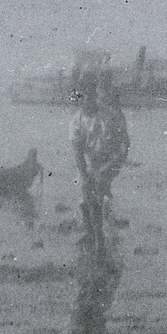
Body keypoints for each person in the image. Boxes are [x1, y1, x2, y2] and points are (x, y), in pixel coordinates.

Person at [69, 63, 130, 275]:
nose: (85, 101)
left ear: (94, 96)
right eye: (81, 97)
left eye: (89, 96)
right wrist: (85, 175)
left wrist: (107, 168)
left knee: (99, 192)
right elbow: (77, 153)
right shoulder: (76, 121)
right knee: (87, 195)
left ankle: (101, 246)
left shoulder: (108, 116)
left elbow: (123, 145)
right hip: (93, 161)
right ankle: (94, 239)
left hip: (112, 158)